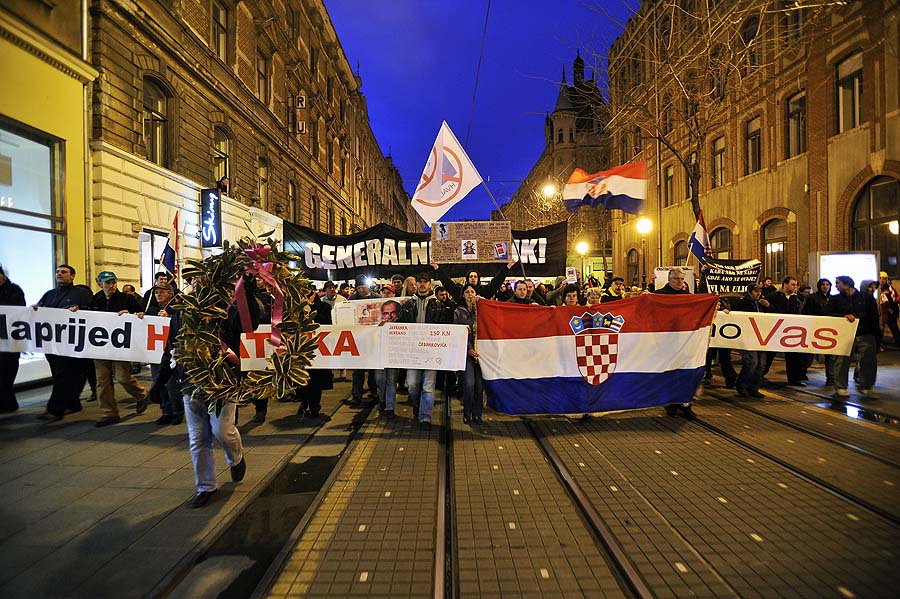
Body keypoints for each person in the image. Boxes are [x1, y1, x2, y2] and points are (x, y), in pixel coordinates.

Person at [81, 271, 148, 426]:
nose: (111, 286)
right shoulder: (94, 300)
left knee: (122, 377)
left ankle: (141, 395)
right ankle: (109, 413)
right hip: (100, 346)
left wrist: (131, 314)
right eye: (107, 283)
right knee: (102, 381)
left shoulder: (127, 298)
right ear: (100, 284)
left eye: (113, 282)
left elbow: (141, 314)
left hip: (120, 346)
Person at [33, 265, 94, 421]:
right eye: (58, 272)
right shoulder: (49, 294)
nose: (59, 274)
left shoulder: (81, 294)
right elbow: (40, 310)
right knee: (59, 375)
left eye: (64, 272)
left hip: (70, 344)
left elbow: (93, 312)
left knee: (63, 375)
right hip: (52, 343)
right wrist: (35, 309)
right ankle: (73, 404)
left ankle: (55, 410)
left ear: (72, 276)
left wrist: (80, 310)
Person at [399, 272, 452, 425]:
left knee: (428, 386)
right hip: (412, 352)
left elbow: (444, 327)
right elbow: (400, 324)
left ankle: (425, 417)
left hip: (431, 353)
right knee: (412, 384)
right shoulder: (408, 305)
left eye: (425, 282)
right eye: (420, 282)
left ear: (430, 284)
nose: (422, 284)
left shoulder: (439, 305)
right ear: (416, 284)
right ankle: (417, 405)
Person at [829, 275, 880, 398]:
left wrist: (876, 335)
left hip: (864, 333)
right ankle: (841, 386)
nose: (836, 286)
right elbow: (828, 313)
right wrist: (843, 316)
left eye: (838, 283)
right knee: (841, 360)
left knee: (868, 360)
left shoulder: (866, 298)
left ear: (847, 284)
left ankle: (867, 386)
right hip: (845, 334)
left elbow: (874, 316)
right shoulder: (835, 299)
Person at [654, 268, 693, 416]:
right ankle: (669, 403)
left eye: (682, 279)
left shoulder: (688, 296)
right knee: (669, 373)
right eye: (677, 279)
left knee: (685, 372)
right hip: (666, 341)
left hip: (684, 340)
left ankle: (685, 403)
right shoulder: (659, 295)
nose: (680, 282)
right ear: (669, 279)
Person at [145, 283, 183, 425]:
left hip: (170, 352)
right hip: (155, 352)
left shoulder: (177, 309)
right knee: (158, 382)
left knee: (172, 384)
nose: (159, 295)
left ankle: (177, 411)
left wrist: (170, 317)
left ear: (170, 294)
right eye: (156, 292)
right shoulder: (151, 310)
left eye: (162, 292)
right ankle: (166, 411)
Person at [296, 288, 334, 418]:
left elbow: (327, 325)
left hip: (319, 350)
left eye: (309, 295)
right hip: (301, 350)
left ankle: (314, 406)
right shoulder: (296, 309)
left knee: (316, 381)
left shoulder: (324, 307)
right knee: (302, 379)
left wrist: (311, 313)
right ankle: (304, 402)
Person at [765, 276, 805, 386]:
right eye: (793, 284)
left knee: (793, 357)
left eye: (796, 285)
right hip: (775, 330)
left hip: (791, 331)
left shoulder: (796, 299)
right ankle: (759, 376)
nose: (795, 287)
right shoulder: (774, 296)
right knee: (769, 355)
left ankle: (794, 379)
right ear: (785, 284)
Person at [731, 284, 767, 398]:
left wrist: (769, 306)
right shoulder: (742, 303)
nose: (758, 293)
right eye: (756, 291)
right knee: (751, 362)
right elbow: (734, 316)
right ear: (750, 292)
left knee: (761, 364)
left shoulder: (761, 303)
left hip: (761, 337)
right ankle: (742, 386)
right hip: (747, 337)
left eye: (759, 291)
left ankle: (754, 388)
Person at [454, 284, 483, 424]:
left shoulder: (482, 310)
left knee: (479, 386)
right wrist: (469, 348)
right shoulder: (459, 312)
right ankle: (467, 412)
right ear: (463, 295)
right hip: (467, 353)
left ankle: (477, 414)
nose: (470, 294)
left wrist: (483, 303)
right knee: (469, 384)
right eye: (467, 292)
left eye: (472, 291)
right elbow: (458, 333)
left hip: (481, 353)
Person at [0, 265, 26, 413]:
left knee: (6, 372)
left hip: (10, 339)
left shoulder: (14, 291)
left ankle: (8, 402)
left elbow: (17, 312)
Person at [431, 258, 516, 303]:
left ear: (478, 279)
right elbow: (448, 283)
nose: (473, 278)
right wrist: (437, 269)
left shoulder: (485, 290)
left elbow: (496, 281)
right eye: (471, 276)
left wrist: (507, 267)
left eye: (475, 276)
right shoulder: (460, 291)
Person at [803, 278, 836, 385]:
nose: (825, 286)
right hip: (815, 328)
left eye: (827, 284)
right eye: (823, 284)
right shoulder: (812, 298)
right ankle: (802, 372)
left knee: (830, 354)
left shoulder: (832, 299)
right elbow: (807, 313)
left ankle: (830, 377)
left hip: (829, 329)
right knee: (810, 353)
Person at [374, 299, 401, 419]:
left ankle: (390, 407)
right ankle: (382, 400)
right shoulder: (378, 325)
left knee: (391, 380)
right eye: (386, 313)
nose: (389, 316)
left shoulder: (402, 324)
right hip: (379, 357)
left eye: (393, 313)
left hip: (393, 357)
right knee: (380, 379)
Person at [878, 272, 900, 348]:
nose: (882, 280)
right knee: (893, 327)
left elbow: (892, 300)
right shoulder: (887, 287)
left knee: (892, 327)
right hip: (890, 311)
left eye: (884, 279)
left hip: (890, 311)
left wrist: (890, 310)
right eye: (880, 278)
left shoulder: (886, 288)